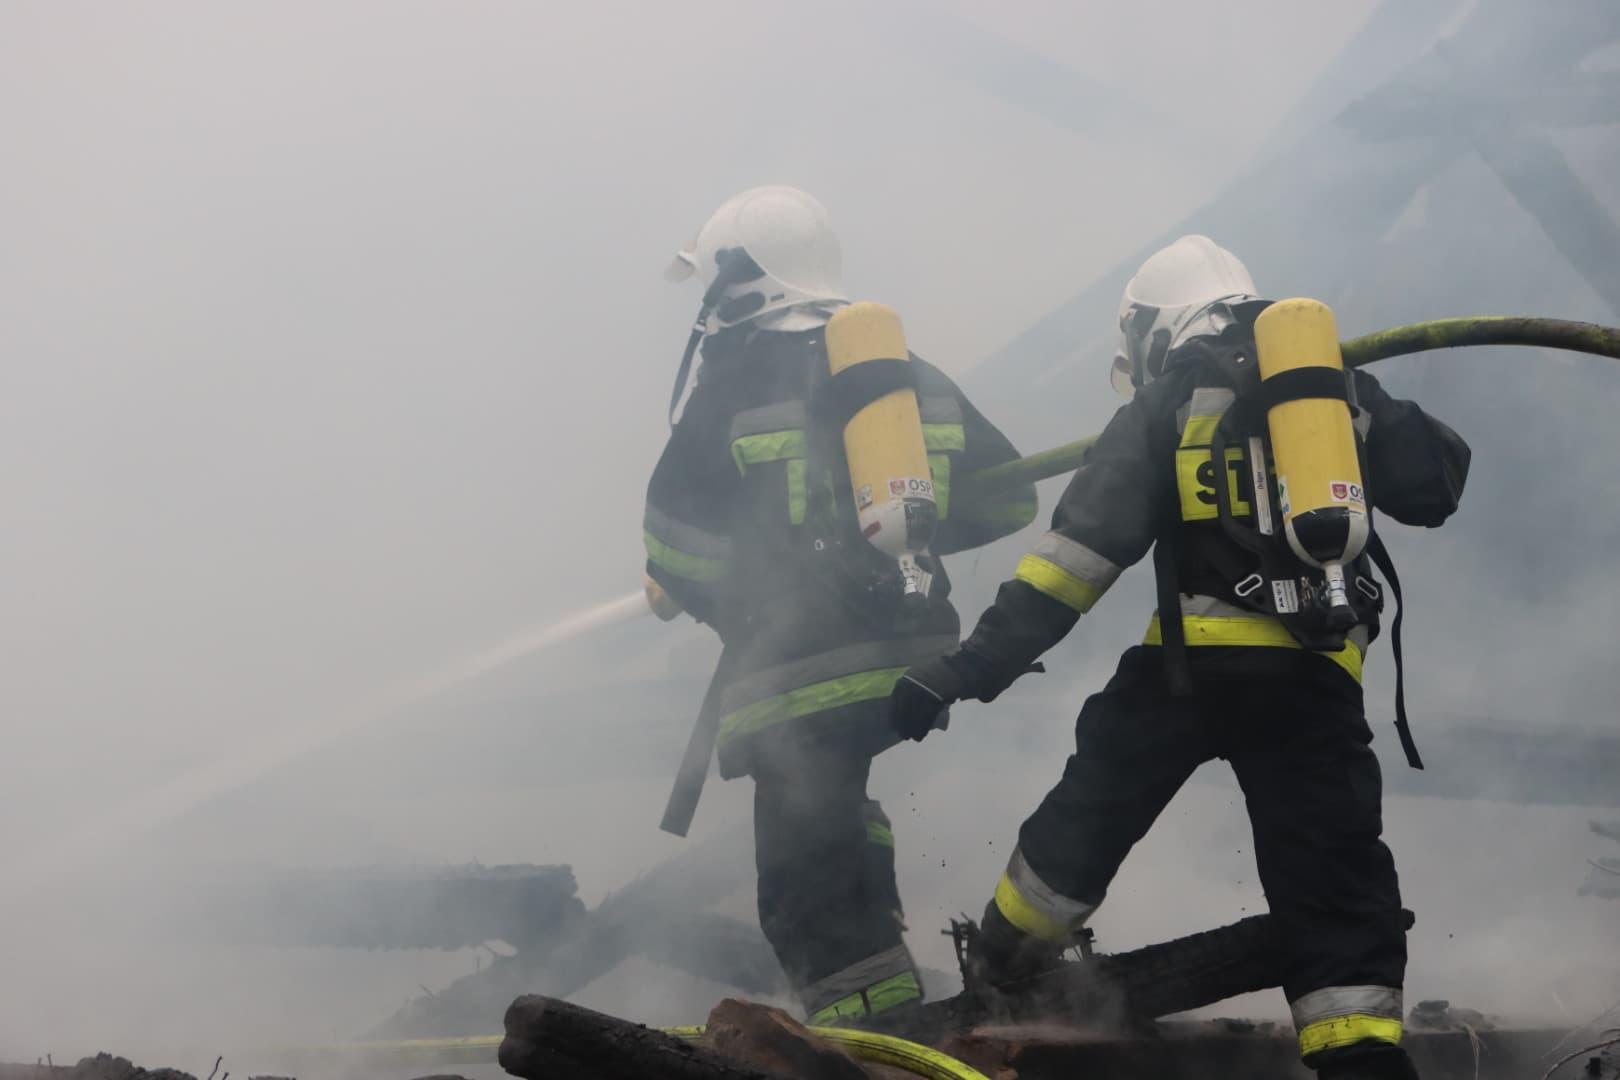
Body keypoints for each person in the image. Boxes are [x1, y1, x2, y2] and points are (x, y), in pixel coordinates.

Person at [888, 235, 1471, 1079]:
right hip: (1316, 682)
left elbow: (1072, 561)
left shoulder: (1165, 400)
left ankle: (1004, 963)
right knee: (1335, 878)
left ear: (1156, 328)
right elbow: (1438, 485)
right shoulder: (1332, 386)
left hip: (1188, 674)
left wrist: (965, 669)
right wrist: (1350, 402)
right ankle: (1366, 1064)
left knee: (1089, 811)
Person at [644, 185, 1038, 1025]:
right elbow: (1006, 500)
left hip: (803, 674)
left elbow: (674, 546)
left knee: (804, 896)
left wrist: (721, 589)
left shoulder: (734, 381)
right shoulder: (900, 377)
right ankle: (897, 1010)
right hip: (917, 654)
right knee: (834, 815)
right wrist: (897, 542)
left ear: (740, 281)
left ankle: (872, 1045)